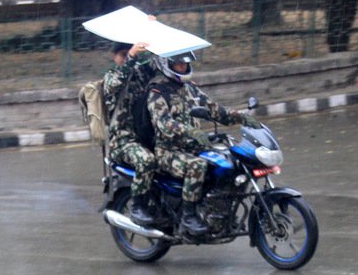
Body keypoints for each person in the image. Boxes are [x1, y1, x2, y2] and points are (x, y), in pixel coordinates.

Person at [146, 52, 261, 235]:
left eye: (185, 63)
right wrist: (190, 131)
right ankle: (188, 216)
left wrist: (242, 118)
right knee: (197, 167)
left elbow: (215, 110)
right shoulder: (158, 92)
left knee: (230, 163)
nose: (183, 67)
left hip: (195, 148)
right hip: (169, 151)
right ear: (166, 64)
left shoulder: (190, 89)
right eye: (178, 64)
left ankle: (219, 212)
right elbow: (163, 123)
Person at [104, 41, 159, 225]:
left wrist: (153, 31)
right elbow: (116, 83)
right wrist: (132, 57)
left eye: (129, 52)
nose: (126, 56)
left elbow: (160, 62)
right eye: (122, 54)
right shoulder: (111, 77)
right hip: (123, 142)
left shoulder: (139, 74)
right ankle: (137, 207)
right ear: (115, 57)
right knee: (146, 160)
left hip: (146, 138)